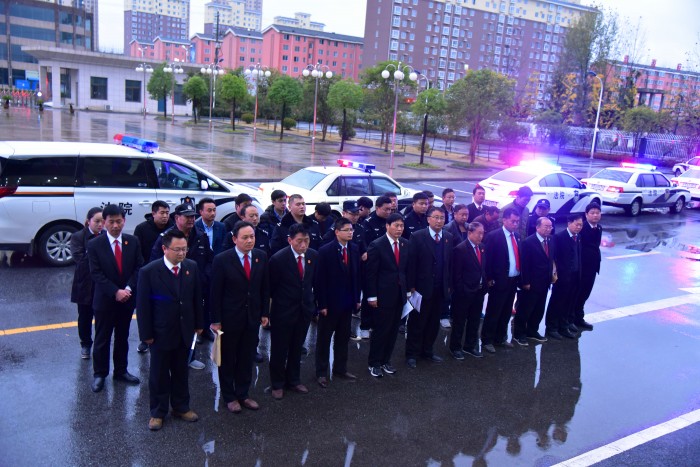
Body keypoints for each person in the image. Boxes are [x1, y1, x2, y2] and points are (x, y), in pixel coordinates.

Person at [136, 230, 203, 431]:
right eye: (177, 249)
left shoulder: (191, 267)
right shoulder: (149, 271)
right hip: (160, 333)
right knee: (159, 374)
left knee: (181, 371)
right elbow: (143, 306)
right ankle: (158, 412)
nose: (182, 253)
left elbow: (197, 298)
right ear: (165, 249)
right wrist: (146, 334)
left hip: (184, 330)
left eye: (184, 249)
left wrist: (199, 324)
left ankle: (181, 407)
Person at [210, 221, 270, 413]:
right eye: (245, 237)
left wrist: (264, 312)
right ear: (235, 239)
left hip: (252, 317)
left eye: (252, 236)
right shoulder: (222, 259)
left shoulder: (260, 256)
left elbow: (264, 287)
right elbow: (215, 293)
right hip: (229, 317)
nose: (250, 240)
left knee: (246, 357)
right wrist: (216, 320)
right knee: (228, 358)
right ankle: (229, 396)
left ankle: (243, 394)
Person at [87, 204, 144, 393]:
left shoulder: (132, 241)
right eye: (111, 222)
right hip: (105, 300)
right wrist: (115, 291)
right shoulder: (95, 244)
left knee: (122, 336)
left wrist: (127, 289)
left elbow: (139, 267)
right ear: (104, 222)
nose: (115, 225)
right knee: (102, 338)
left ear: (124, 221)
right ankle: (100, 374)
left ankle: (121, 371)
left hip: (127, 299)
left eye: (119, 221)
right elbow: (96, 273)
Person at [151, 203, 213, 368]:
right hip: (172, 291)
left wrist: (203, 278)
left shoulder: (201, 235)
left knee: (191, 323)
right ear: (177, 218)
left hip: (195, 288)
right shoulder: (166, 237)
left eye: (193, 216)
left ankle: (190, 357)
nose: (191, 219)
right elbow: (155, 264)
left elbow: (209, 260)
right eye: (187, 216)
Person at [268, 224, 318, 400]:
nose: (303, 245)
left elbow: (313, 282)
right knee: (279, 349)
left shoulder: (313, 256)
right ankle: (277, 383)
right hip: (283, 311)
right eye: (299, 241)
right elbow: (271, 288)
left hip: (304, 310)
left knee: (297, 347)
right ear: (290, 240)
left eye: (307, 241)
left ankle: (294, 380)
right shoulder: (278, 259)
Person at [314, 218, 361, 388]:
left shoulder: (354, 248)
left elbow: (356, 275)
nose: (350, 233)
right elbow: (320, 280)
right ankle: (321, 372)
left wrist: (357, 299)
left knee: (343, 337)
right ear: (337, 232)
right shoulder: (325, 251)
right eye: (346, 230)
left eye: (351, 230)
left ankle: (340, 368)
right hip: (330, 303)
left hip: (347, 302)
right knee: (324, 338)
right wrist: (322, 304)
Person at [405, 206, 453, 368]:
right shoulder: (418, 236)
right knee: (417, 323)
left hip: (440, 288)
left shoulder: (448, 237)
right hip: (421, 288)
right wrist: (411, 286)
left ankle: (427, 350)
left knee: (433, 322)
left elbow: (449, 264)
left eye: (442, 218)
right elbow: (411, 263)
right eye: (436, 217)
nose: (439, 221)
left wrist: (449, 285)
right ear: (428, 219)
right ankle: (412, 354)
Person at [365, 213, 410, 378]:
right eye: (396, 225)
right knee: (381, 330)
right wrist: (372, 296)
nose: (399, 229)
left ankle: (386, 360)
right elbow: (371, 274)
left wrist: (407, 290)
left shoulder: (405, 243)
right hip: (382, 295)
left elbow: (405, 270)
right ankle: (374, 362)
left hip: (399, 295)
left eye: (402, 226)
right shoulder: (377, 245)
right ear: (387, 226)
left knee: (393, 330)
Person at [133, 200, 173, 354]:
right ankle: (145, 339)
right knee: (146, 308)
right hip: (147, 273)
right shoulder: (142, 229)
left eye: (167, 213)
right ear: (153, 213)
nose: (165, 216)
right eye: (162, 213)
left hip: (168, 274)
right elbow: (137, 253)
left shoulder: (172, 227)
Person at [481, 207, 521, 354]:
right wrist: (490, 278)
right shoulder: (494, 236)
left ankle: (500, 338)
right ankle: (487, 340)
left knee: (506, 311)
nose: (515, 224)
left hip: (513, 279)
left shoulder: (517, 236)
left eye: (517, 221)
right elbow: (487, 259)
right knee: (494, 311)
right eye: (513, 221)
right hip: (498, 280)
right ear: (504, 220)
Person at [513, 217, 556, 346]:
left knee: (539, 309)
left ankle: (532, 331)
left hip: (545, 282)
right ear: (537, 227)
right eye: (546, 226)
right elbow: (525, 264)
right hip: (531, 283)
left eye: (550, 227)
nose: (548, 229)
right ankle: (519, 334)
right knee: (525, 309)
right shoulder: (528, 242)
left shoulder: (550, 240)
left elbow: (550, 260)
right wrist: (525, 282)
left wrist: (552, 275)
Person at [450, 222, 488, 359]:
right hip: (464, 292)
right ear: (470, 233)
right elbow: (456, 274)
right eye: (478, 233)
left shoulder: (482, 247)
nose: (481, 236)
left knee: (475, 320)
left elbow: (482, 268)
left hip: (478, 290)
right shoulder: (460, 249)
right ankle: (455, 347)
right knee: (459, 321)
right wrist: (462, 290)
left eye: (482, 233)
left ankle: (470, 346)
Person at [70, 207, 103, 360]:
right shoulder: (78, 236)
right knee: (84, 316)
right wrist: (95, 248)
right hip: (84, 283)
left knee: (102, 316)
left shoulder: (106, 235)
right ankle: (85, 344)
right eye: (97, 221)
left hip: (102, 283)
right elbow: (80, 259)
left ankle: (100, 345)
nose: (100, 225)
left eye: (103, 221)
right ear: (88, 221)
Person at [545, 214, 584, 340]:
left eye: (581, 225)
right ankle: (552, 327)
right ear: (569, 223)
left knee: (569, 302)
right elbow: (554, 258)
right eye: (577, 224)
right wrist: (555, 275)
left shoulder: (578, 237)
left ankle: (564, 325)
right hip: (562, 277)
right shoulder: (559, 237)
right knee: (557, 302)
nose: (579, 227)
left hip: (575, 275)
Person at [574, 203, 602, 331]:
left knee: (585, 294)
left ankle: (579, 318)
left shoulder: (599, 228)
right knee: (578, 294)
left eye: (597, 213)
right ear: (586, 215)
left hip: (593, 267)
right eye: (592, 213)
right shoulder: (582, 228)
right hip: (582, 268)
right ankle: (572, 319)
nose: (595, 215)